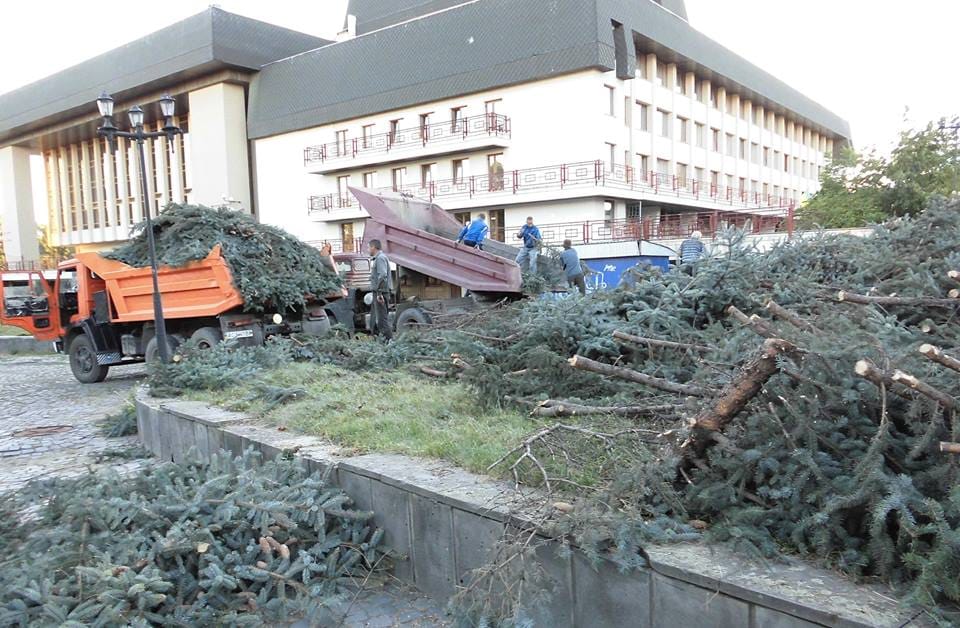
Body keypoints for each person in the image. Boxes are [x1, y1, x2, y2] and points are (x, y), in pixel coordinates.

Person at [368, 239, 393, 340]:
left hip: (380, 293)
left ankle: (389, 344)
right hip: (378, 293)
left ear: (373, 247)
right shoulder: (379, 258)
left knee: (382, 321)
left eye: (369, 247)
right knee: (374, 320)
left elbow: (382, 275)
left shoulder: (380, 258)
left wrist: (379, 293)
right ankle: (378, 342)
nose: (368, 249)